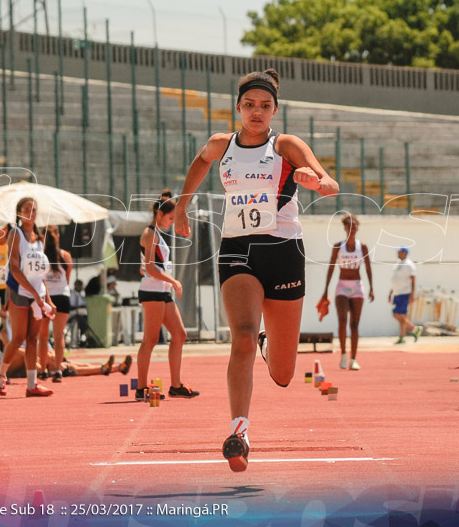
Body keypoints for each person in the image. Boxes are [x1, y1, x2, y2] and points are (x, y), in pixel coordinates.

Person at [174, 68, 339, 472]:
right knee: (241, 338)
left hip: (283, 252)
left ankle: (270, 345)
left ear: (275, 110)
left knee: (283, 373)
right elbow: (200, 162)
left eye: (265, 106)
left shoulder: (286, 145)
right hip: (238, 250)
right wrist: (182, 206)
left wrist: (313, 179)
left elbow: (329, 182)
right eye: (250, 105)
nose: (257, 112)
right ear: (238, 108)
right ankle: (239, 431)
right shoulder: (221, 144)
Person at [136, 196, 199, 400]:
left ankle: (175, 385)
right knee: (151, 340)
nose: (172, 222)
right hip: (153, 292)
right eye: (171, 218)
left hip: (161, 291)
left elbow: (147, 265)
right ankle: (141, 387)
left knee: (179, 335)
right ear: (160, 214)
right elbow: (150, 267)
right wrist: (173, 280)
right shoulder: (150, 233)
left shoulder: (157, 235)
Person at [0, 197, 57, 397]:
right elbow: (14, 268)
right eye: (27, 209)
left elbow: (41, 273)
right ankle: (1, 374)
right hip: (19, 291)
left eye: (34, 209)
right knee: (19, 336)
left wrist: (48, 299)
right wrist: (33, 293)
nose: (31, 212)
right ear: (19, 212)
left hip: (37, 294)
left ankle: (32, 385)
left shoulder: (39, 239)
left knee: (33, 338)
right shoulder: (15, 234)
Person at [318, 213, 374, 370]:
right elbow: (330, 268)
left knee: (355, 324)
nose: (352, 228)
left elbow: (368, 268)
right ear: (345, 228)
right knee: (342, 320)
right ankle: (343, 354)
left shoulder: (362, 247)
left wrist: (371, 288)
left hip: (357, 286)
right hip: (342, 286)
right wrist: (325, 290)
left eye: (355, 226)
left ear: (357, 228)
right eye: (349, 225)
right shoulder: (338, 246)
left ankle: (353, 359)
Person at [40, 224, 73, 382]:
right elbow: (67, 277)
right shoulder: (65, 255)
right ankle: (58, 369)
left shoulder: (41, 256)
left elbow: (39, 278)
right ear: (58, 236)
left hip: (46, 297)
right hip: (62, 295)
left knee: (43, 336)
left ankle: (43, 369)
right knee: (59, 336)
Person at [387, 247, 421, 344]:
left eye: (400, 252)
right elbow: (395, 279)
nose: (398, 253)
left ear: (405, 253)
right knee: (401, 316)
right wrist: (390, 293)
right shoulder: (398, 263)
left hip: (404, 293)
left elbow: (413, 280)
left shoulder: (409, 265)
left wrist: (412, 294)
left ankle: (413, 329)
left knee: (397, 314)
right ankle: (403, 336)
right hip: (397, 293)